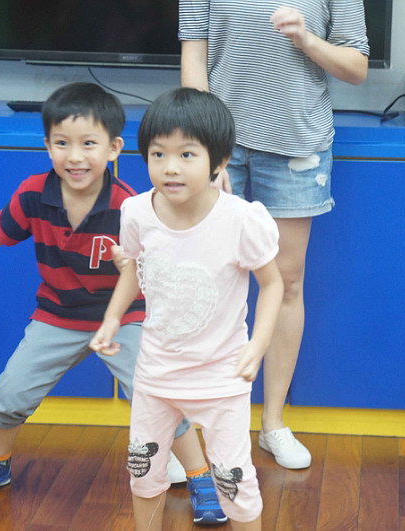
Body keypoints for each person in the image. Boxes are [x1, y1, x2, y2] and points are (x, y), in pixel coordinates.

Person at [0, 82, 226, 525]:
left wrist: (133, 271)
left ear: (114, 148)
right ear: (47, 146)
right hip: (58, 315)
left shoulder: (128, 205)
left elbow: (154, 266)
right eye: (62, 143)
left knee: (159, 398)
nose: (75, 156)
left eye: (88, 144)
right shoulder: (33, 194)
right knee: (8, 396)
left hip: (122, 317)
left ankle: (200, 477)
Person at [179, 0, 369, 469]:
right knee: (202, 281)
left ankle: (273, 424)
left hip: (296, 147)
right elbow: (194, 57)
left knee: (286, 281)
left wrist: (306, 39)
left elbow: (356, 67)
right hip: (219, 146)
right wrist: (206, 149)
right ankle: (190, 434)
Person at [89, 87, 283, 531]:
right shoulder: (137, 211)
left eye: (187, 154)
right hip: (156, 372)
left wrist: (258, 345)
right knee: (143, 473)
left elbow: (273, 284)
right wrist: (113, 317)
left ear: (219, 160)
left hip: (222, 375)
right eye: (158, 154)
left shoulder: (240, 219)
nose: (170, 167)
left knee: (235, 482)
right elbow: (134, 267)